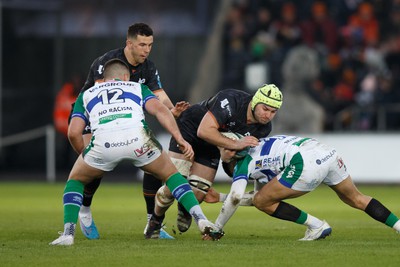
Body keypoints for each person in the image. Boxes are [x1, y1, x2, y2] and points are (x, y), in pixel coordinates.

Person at [49, 59, 223, 246]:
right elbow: (161, 111)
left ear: (103, 79)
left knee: (75, 180)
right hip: (138, 140)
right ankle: (201, 218)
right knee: (172, 175)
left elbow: (74, 132)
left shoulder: (86, 94)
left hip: (103, 144)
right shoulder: (136, 87)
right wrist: (180, 139)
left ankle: (68, 234)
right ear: (126, 77)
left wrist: (85, 155)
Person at [76, 23, 189, 240]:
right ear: (129, 43)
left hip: (128, 122)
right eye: (142, 44)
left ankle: (151, 223)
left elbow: (160, 95)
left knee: (152, 164)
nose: (147, 49)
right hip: (98, 118)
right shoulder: (106, 62)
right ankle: (85, 210)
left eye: (150, 45)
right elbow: (96, 95)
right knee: (94, 169)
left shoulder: (149, 67)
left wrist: (171, 109)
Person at [145, 84, 283, 237]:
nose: (268, 115)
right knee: (173, 187)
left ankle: (185, 207)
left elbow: (231, 162)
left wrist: (229, 159)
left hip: (214, 144)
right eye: (265, 109)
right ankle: (155, 221)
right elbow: (204, 131)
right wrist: (236, 143)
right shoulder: (231, 100)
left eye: (273, 111)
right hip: (189, 130)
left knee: (199, 193)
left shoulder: (264, 128)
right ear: (255, 102)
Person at [204, 134, 400, 240]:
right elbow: (258, 195)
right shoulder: (258, 144)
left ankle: (317, 226)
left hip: (305, 162)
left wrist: (217, 228)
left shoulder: (241, 164)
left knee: (263, 201)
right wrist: (221, 197)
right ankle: (399, 226)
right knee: (357, 198)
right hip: (326, 152)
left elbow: (238, 197)